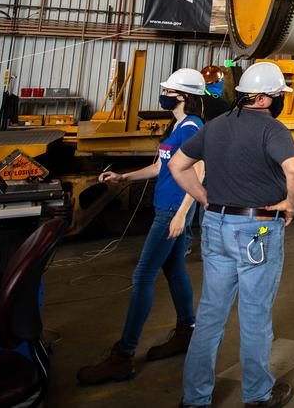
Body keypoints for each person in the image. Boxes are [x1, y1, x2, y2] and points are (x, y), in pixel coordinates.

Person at [170, 61, 294, 408]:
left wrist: (203, 198)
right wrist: (289, 205)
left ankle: (195, 398)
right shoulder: (272, 129)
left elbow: (176, 165)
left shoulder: (215, 126)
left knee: (211, 315)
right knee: (255, 314)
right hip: (257, 228)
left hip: (215, 225)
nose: (278, 102)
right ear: (261, 99)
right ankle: (258, 395)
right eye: (277, 96)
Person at [76, 68, 207, 385]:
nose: (163, 94)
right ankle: (186, 333)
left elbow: (201, 171)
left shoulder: (192, 127)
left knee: (143, 275)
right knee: (173, 269)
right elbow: (159, 166)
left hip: (173, 210)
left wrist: (181, 215)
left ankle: (123, 356)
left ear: (182, 96)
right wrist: (124, 178)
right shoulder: (176, 126)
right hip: (166, 206)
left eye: (168, 90)